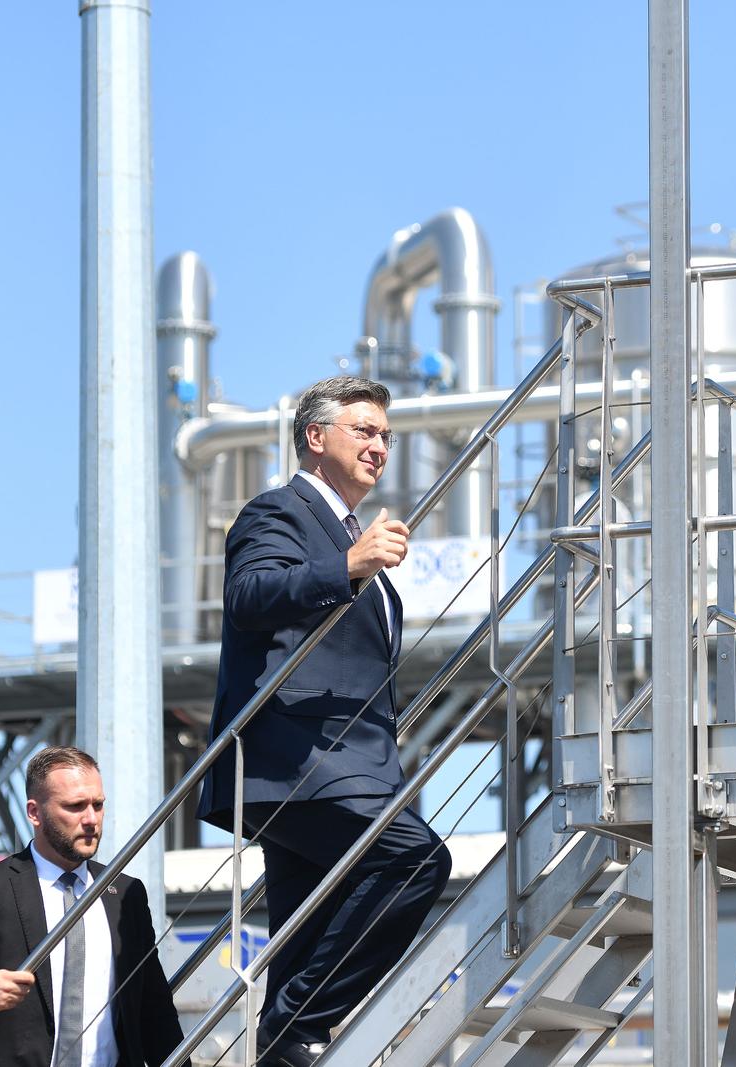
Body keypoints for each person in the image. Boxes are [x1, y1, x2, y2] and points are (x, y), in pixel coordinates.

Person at [198, 375, 453, 1067]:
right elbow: (250, 594)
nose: (380, 447)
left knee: (304, 937)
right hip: (301, 763)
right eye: (364, 431)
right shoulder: (277, 512)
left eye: (386, 437)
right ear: (317, 437)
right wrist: (347, 564)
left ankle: (285, 1039)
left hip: (338, 767)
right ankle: (295, 1022)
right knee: (415, 857)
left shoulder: (343, 530)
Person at [0, 746, 187, 1067]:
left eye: (98, 805)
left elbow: (154, 1010)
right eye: (75, 807)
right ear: (34, 813)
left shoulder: (125, 892)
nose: (91, 819)